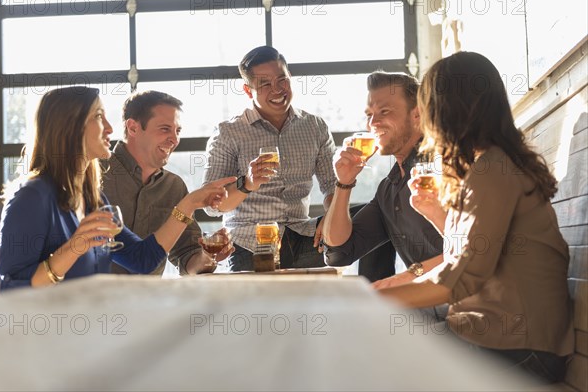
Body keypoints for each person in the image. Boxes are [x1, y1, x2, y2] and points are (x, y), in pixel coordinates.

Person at [378, 52, 573, 383]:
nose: (422, 118)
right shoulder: (486, 166)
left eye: (426, 106)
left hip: (524, 349)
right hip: (497, 336)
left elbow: (461, 277)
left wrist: (369, 300)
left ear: (448, 109)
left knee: (380, 359)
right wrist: (438, 215)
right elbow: (468, 259)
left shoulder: (493, 169)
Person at [0, 86, 235, 290]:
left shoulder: (92, 199)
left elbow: (143, 259)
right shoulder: (32, 195)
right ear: (71, 126)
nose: (110, 128)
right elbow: (11, 290)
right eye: (99, 116)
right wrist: (74, 246)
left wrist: (189, 204)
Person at [203, 46, 336, 271]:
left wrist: (331, 217)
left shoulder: (315, 127)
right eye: (265, 84)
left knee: (366, 213)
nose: (277, 90)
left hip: (302, 236)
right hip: (248, 243)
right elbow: (212, 206)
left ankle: (378, 294)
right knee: (255, 305)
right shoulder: (228, 133)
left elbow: (332, 186)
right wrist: (247, 184)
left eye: (282, 80)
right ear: (248, 90)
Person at [323, 72, 443, 285]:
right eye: (369, 114)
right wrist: (344, 182)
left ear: (417, 115)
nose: (373, 123)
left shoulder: (444, 166)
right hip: (423, 308)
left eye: (384, 112)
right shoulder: (388, 189)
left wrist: (406, 278)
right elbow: (339, 252)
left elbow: (476, 251)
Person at [102, 90, 233, 276]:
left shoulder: (174, 186)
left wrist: (208, 254)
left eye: (177, 131)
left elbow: (188, 257)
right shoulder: (95, 176)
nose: (174, 139)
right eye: (165, 129)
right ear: (132, 128)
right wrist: (189, 204)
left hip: (152, 301)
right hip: (93, 299)